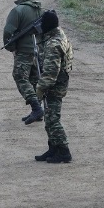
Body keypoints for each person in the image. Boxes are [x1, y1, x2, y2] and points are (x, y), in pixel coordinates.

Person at [33, 10, 74, 164]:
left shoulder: (53, 45)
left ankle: (64, 151)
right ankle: (53, 148)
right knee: (49, 118)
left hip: (55, 86)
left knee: (52, 119)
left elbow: (50, 73)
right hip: (58, 83)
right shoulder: (59, 35)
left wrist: (39, 90)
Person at [3, 0, 45, 124]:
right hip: (38, 51)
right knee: (34, 80)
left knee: (20, 77)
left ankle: (36, 108)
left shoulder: (18, 11)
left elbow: (8, 31)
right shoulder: (41, 10)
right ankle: (37, 111)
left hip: (24, 51)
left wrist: (11, 47)